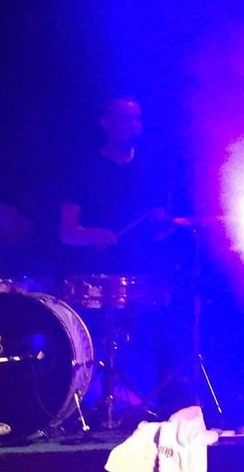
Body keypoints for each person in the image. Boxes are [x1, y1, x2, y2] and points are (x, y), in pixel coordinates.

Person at [59, 95, 196, 413]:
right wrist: (92, 235)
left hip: (142, 271)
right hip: (94, 275)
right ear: (105, 123)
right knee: (91, 340)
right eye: (124, 118)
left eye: (137, 119)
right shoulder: (85, 170)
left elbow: (159, 231)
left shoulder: (150, 170)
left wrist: (164, 226)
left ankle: (166, 404)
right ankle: (84, 405)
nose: (133, 125)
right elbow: (67, 232)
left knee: (163, 327)